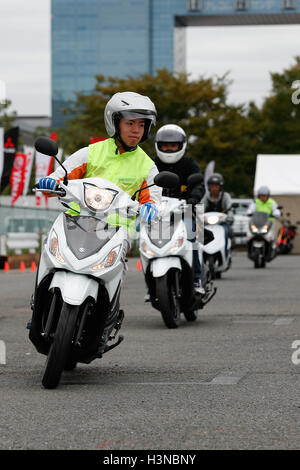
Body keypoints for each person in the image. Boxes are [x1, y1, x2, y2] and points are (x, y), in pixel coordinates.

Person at [27, 92, 162, 334]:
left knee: (114, 270)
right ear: (115, 122)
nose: (136, 130)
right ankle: (38, 305)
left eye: (142, 125)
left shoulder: (147, 165)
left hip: (115, 230)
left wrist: (152, 206)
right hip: (76, 221)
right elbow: (61, 175)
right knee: (49, 251)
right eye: (130, 123)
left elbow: (154, 195)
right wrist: (49, 181)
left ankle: (105, 322)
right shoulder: (91, 152)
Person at [154, 124, 205, 295]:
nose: (168, 149)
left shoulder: (189, 164)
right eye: (165, 145)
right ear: (158, 145)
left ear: (181, 145)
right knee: (147, 240)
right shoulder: (151, 164)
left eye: (173, 145)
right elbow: (142, 184)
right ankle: (152, 281)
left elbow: (198, 184)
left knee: (192, 237)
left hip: (185, 211)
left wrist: (194, 197)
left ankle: (197, 278)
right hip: (158, 214)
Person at [201, 173, 234, 255]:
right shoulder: (206, 197)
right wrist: (198, 216)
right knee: (199, 234)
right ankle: (201, 253)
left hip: (222, 223)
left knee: (226, 231)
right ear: (209, 187)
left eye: (217, 186)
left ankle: (226, 252)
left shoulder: (225, 196)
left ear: (220, 187)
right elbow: (200, 208)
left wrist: (230, 217)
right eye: (212, 186)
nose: (214, 188)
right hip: (208, 223)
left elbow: (230, 208)